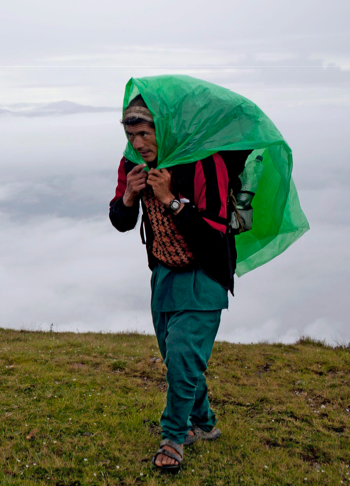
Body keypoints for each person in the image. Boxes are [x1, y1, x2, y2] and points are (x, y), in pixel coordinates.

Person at [109, 95, 237, 471]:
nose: (138, 144)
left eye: (145, 133)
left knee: (182, 358)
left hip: (205, 276)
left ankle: (173, 438)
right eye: (131, 135)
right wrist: (131, 195)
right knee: (176, 357)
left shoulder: (206, 164)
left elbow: (213, 238)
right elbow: (120, 220)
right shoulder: (132, 165)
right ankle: (205, 423)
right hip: (163, 275)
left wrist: (169, 199)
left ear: (165, 129)